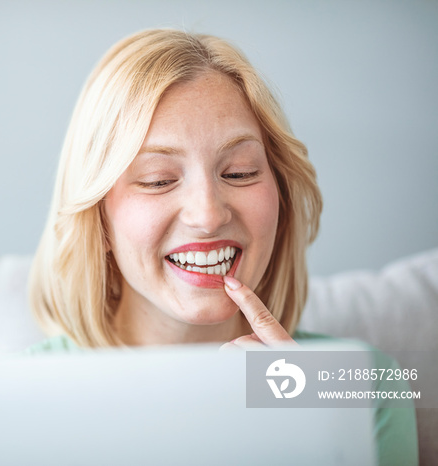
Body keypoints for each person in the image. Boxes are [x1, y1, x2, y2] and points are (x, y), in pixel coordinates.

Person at [26, 28, 418, 465]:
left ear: (281, 200)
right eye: (159, 180)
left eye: (239, 173)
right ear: (97, 219)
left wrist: (317, 439)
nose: (208, 215)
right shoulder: (18, 398)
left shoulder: (363, 388)